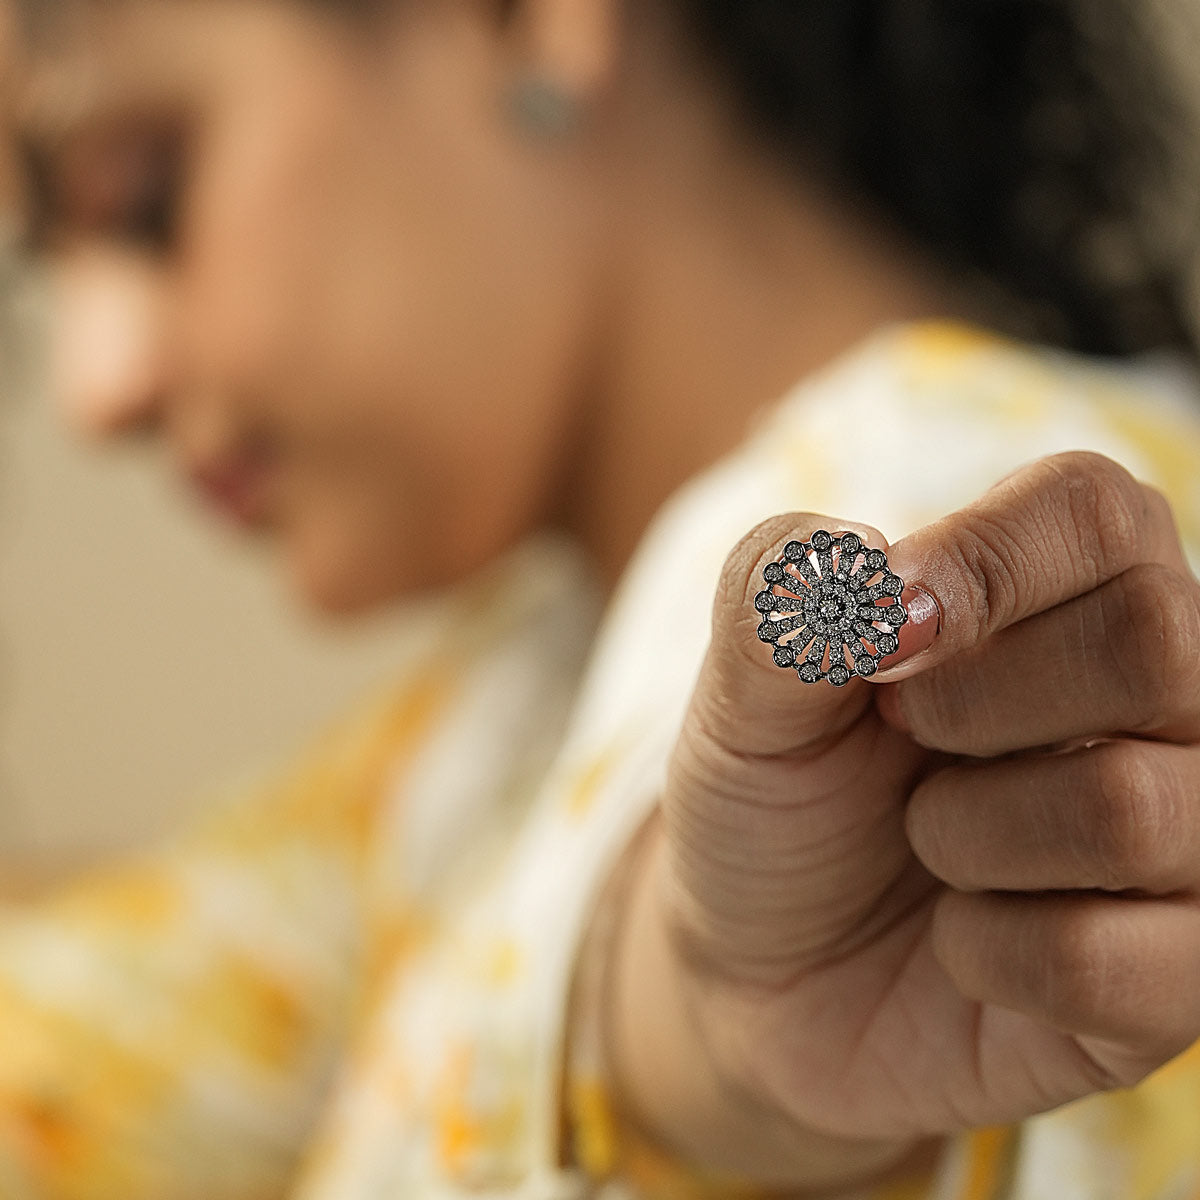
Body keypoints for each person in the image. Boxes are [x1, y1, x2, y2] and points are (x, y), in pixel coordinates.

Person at [1, 1, 1200, 1197]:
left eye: (143, 199)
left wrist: (713, 1049)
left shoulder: (955, 522)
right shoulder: (494, 709)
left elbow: (747, 977)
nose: (92, 388)